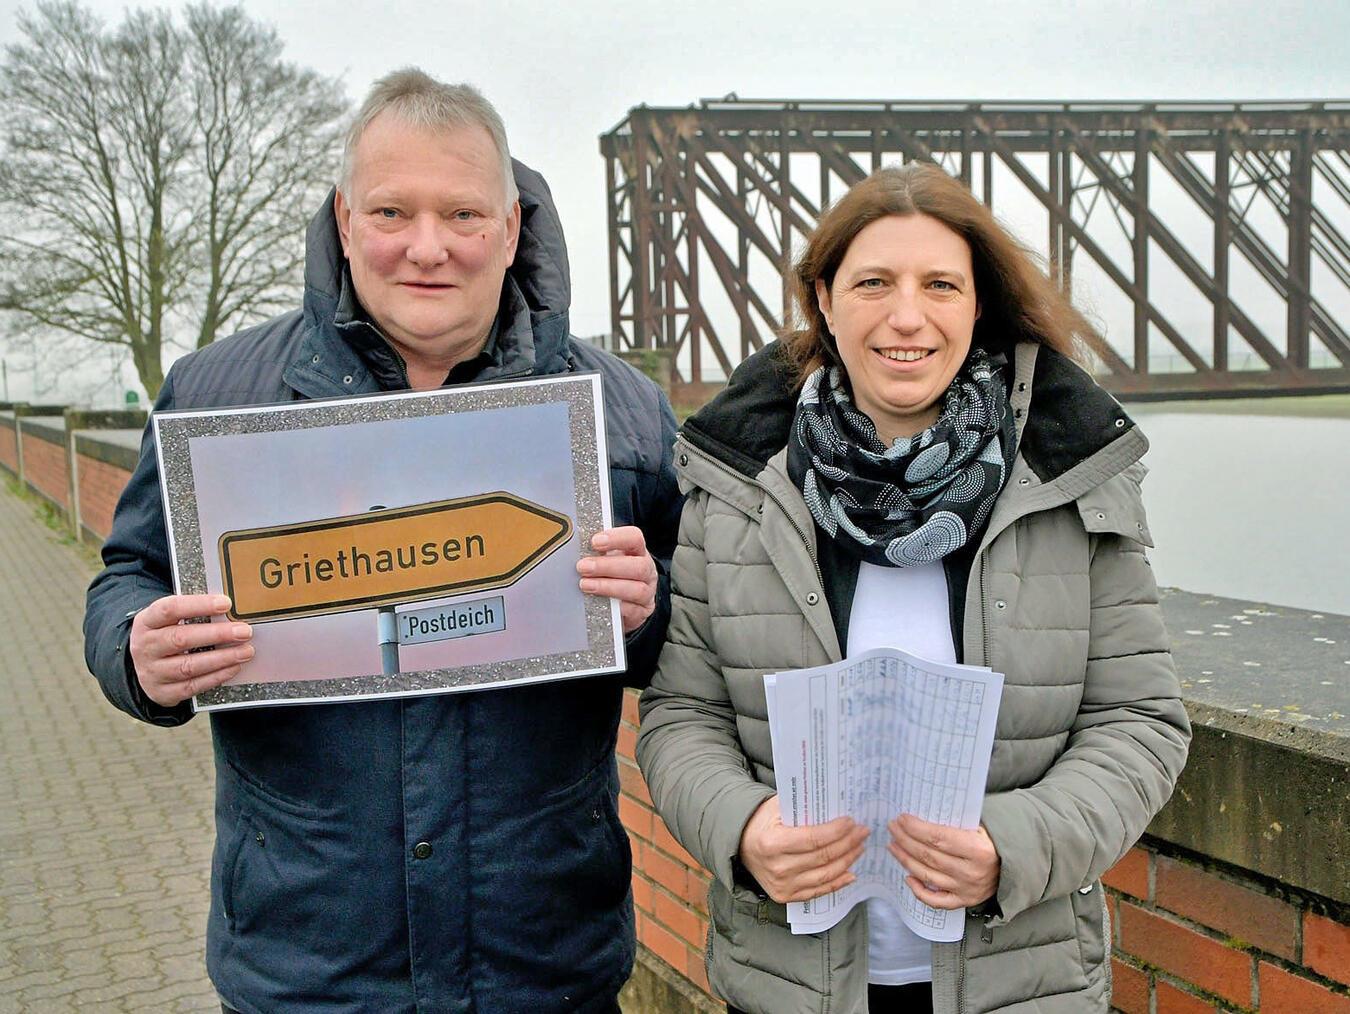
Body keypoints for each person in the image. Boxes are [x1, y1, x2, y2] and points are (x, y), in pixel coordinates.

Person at [84, 69, 682, 1014]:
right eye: (394, 212)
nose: (428, 248)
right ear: (346, 218)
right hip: (307, 964)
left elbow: (687, 645)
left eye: (463, 215)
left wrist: (646, 616)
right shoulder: (217, 393)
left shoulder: (627, 415)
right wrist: (136, 653)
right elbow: (127, 575)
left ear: (513, 224)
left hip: (542, 962)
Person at [636, 162, 1190, 1014]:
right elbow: (684, 715)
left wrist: (1012, 848)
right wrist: (742, 831)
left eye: (940, 284)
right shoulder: (736, 488)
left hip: (1019, 981)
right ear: (824, 299)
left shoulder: (1070, 478)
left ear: (978, 305)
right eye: (872, 283)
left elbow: (1140, 721)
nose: (907, 316)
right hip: (790, 984)